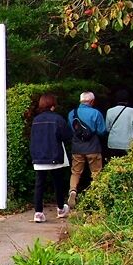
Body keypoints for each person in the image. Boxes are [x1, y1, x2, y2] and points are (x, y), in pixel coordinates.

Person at [29, 94, 72, 223]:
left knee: (39, 184)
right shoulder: (58, 119)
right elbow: (66, 136)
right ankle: (60, 209)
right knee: (58, 183)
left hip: (38, 155)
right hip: (55, 154)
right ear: (53, 106)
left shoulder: (36, 120)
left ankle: (38, 213)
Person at [66, 91, 107, 208]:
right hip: (93, 148)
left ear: (80, 100)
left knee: (76, 172)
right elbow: (102, 131)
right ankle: (97, 197)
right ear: (92, 101)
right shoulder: (96, 113)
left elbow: (70, 130)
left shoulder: (72, 113)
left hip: (77, 148)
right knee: (96, 172)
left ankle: (73, 190)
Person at [105, 89, 133, 159]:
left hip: (113, 143)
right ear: (127, 100)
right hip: (127, 143)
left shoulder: (109, 111)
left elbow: (107, 129)